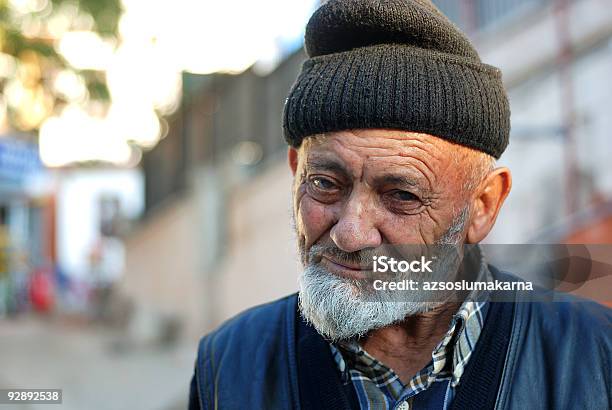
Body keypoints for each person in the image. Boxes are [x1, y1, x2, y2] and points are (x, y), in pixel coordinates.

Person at [188, 1, 611, 409]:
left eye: (402, 196)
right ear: (296, 170)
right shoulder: (227, 367)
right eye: (323, 184)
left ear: (483, 205)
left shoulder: (596, 355)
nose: (350, 233)